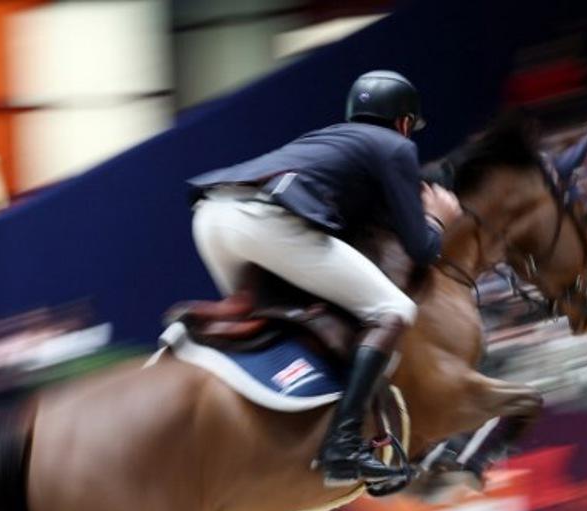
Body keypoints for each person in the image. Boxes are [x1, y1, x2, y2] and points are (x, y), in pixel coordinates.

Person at [187, 70, 462, 486]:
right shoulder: (395, 147)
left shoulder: (332, 138)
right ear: (404, 122)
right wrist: (439, 220)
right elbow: (422, 248)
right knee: (393, 309)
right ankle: (342, 447)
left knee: (273, 320)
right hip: (261, 224)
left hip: (212, 217)